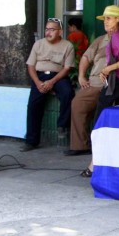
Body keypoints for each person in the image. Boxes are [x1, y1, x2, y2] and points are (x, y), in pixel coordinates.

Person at [80, 5, 119, 177]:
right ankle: (105, 164)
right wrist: (107, 70)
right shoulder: (117, 36)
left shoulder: (117, 36)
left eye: (109, 18)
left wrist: (108, 68)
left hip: (118, 85)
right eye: (105, 18)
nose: (106, 21)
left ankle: (94, 165)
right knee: (117, 124)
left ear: (118, 20)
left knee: (99, 124)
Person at [21, 18, 76, 152]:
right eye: (47, 29)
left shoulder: (67, 45)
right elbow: (31, 66)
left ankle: (62, 125)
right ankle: (31, 141)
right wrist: (38, 83)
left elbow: (67, 68)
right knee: (34, 104)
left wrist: (52, 82)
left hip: (58, 76)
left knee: (68, 93)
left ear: (60, 32)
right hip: (39, 76)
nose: (48, 32)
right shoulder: (38, 44)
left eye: (52, 29)